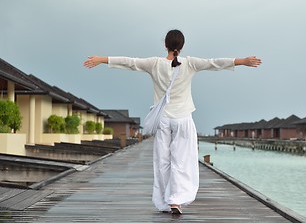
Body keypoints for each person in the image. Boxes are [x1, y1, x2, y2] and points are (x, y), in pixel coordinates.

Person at [83, 29, 262, 214]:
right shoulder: (190, 63)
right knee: (182, 161)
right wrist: (243, 61)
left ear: (165, 45)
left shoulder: (154, 64)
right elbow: (214, 63)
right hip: (183, 119)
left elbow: (130, 62)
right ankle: (176, 200)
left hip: (163, 120)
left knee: (162, 161)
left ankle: (163, 201)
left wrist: (101, 59)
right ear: (182, 46)